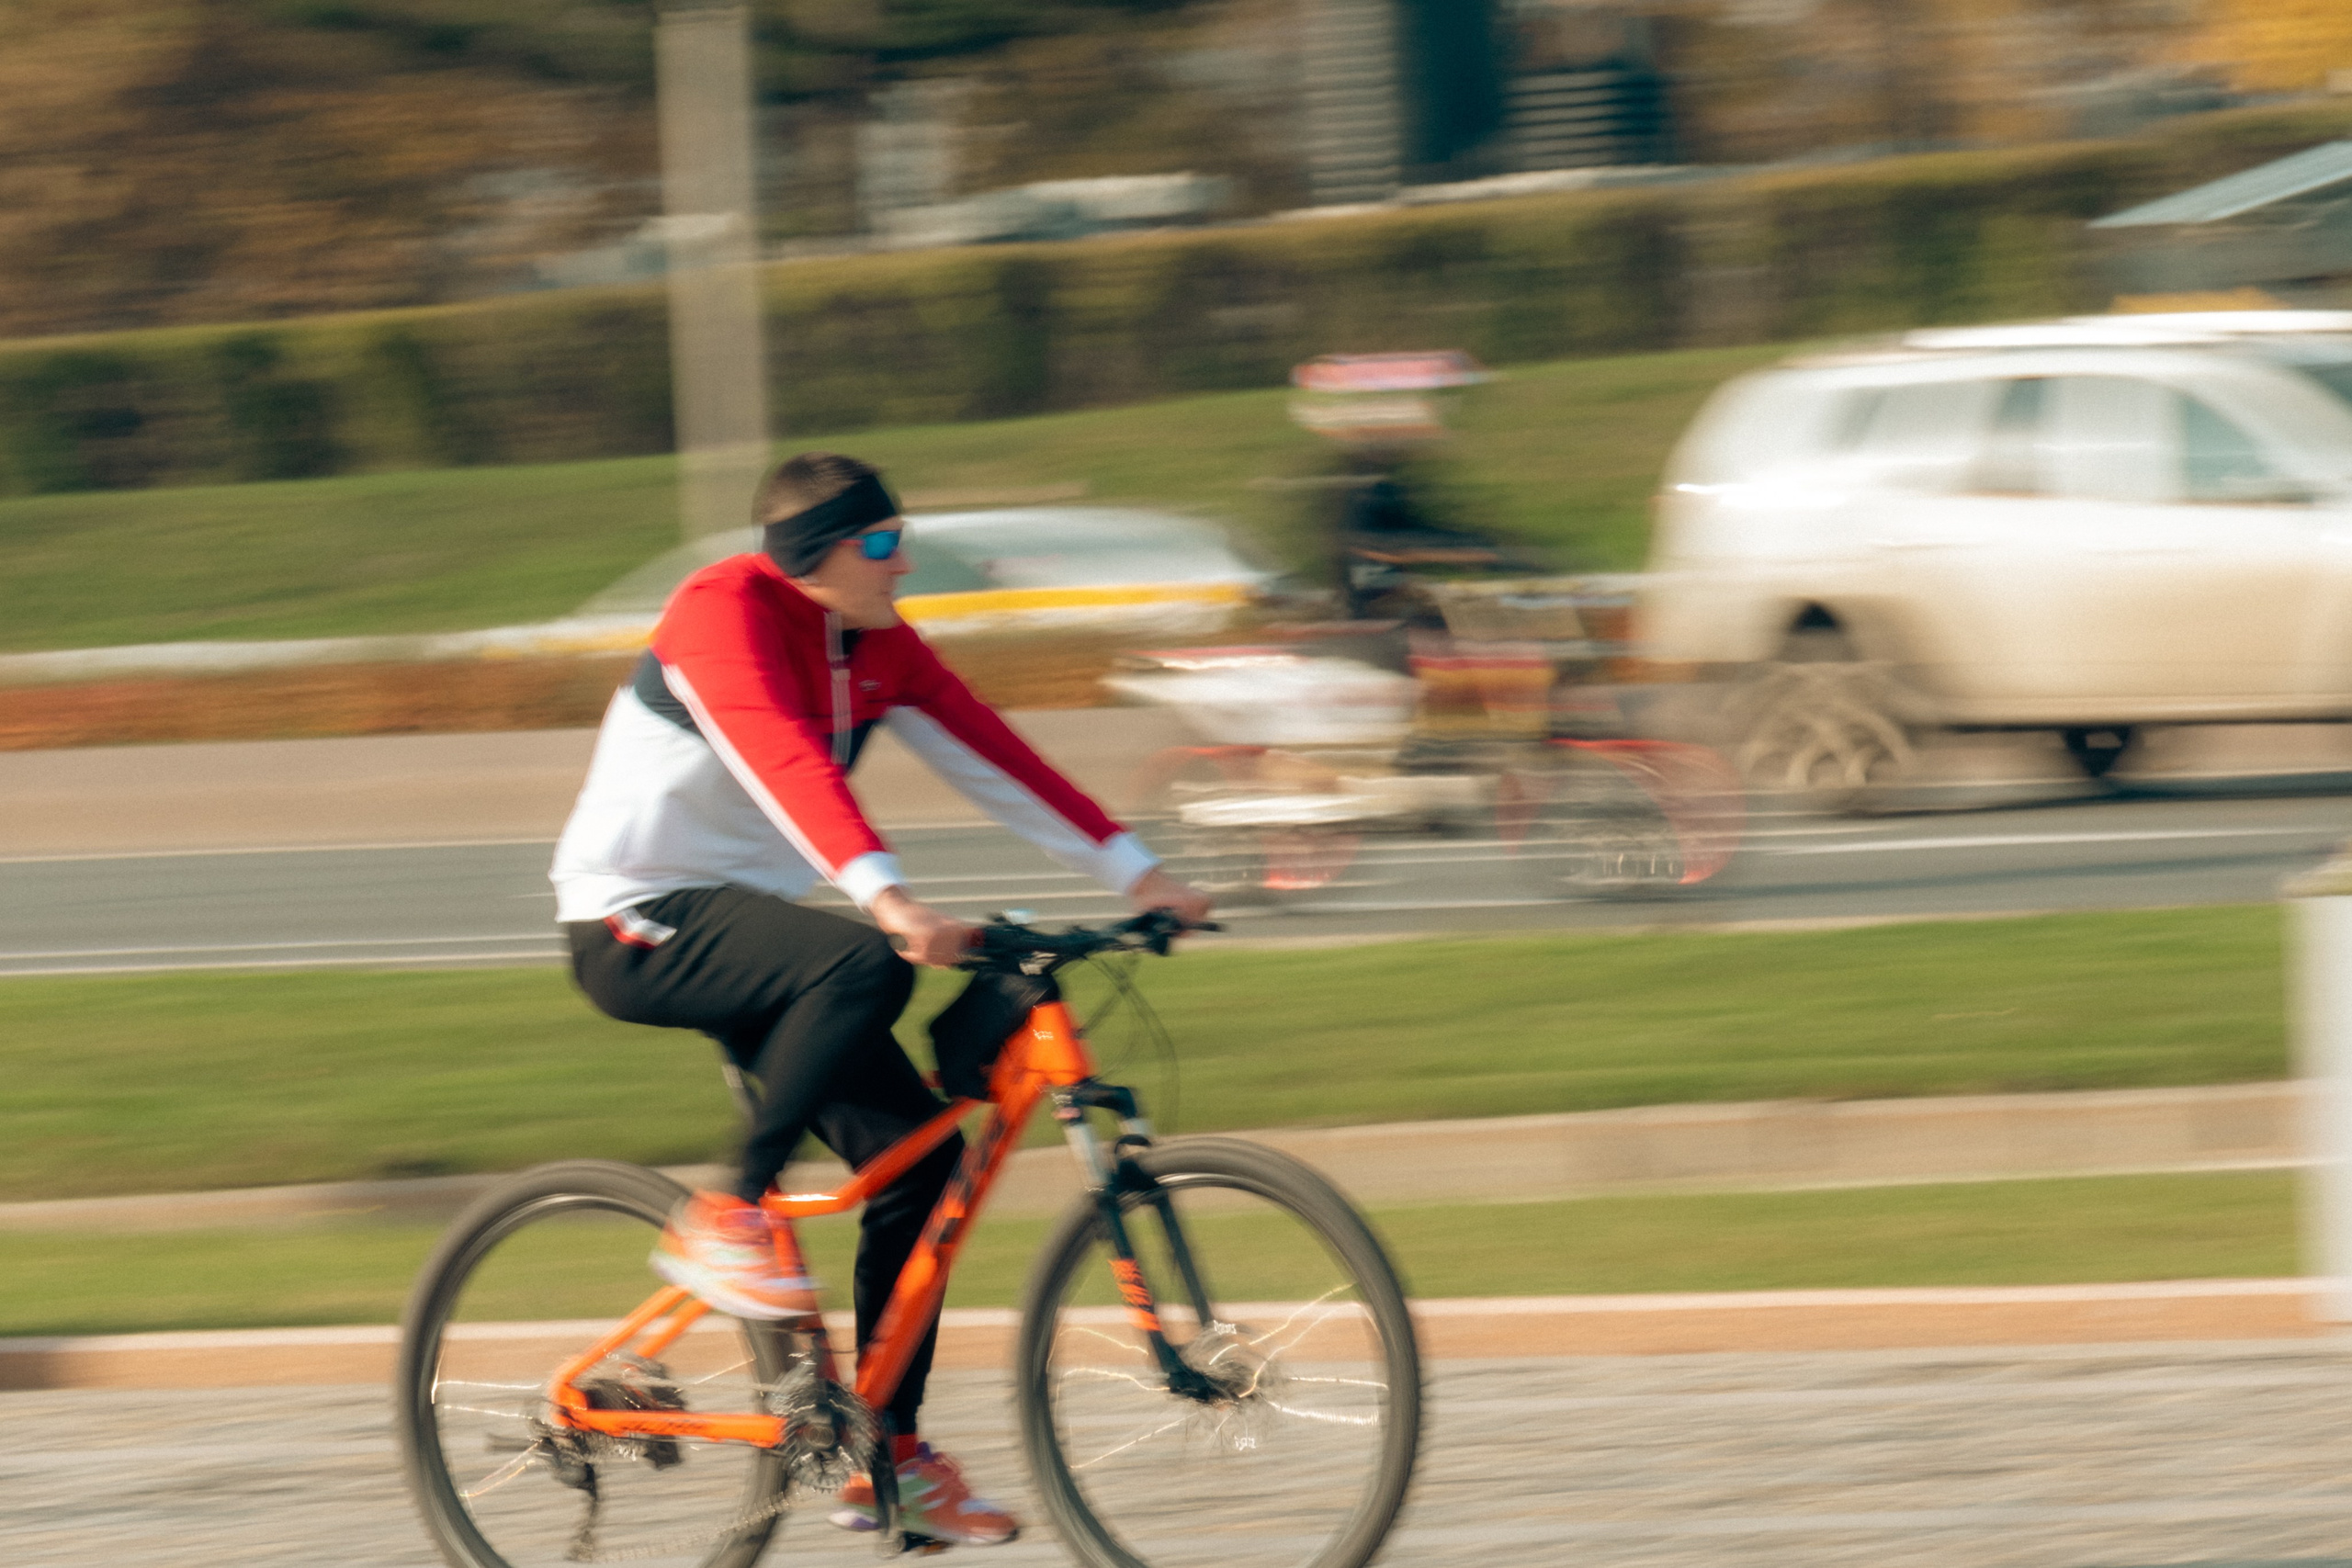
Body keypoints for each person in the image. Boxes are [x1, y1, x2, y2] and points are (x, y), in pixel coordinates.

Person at [549, 451, 1211, 1548]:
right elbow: (778, 763)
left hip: (763, 938)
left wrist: (1141, 877)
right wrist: (888, 900)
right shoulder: (722, 613)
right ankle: (729, 1214)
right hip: (638, 920)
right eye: (882, 541)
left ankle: (886, 1454)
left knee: (921, 1162)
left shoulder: (874, 647)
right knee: (867, 962)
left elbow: (994, 753)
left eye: (902, 535)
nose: (904, 558)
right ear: (815, 557)